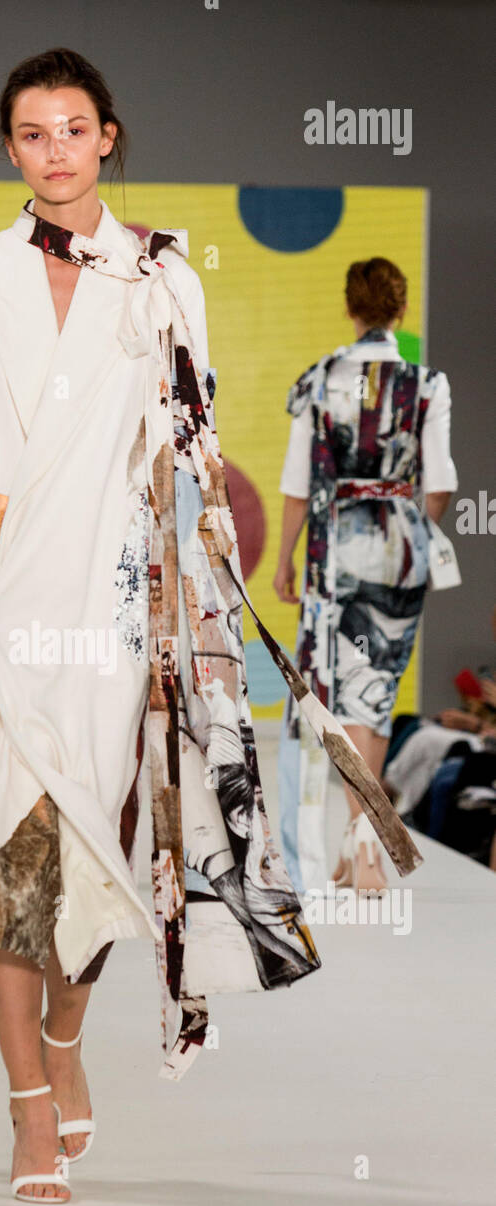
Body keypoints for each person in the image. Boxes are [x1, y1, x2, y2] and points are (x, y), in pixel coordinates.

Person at [0, 50, 418, 1205]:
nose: (55, 147)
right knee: (2, 852)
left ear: (108, 138)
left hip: (106, 612)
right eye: (32, 131)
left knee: (95, 848)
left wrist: (189, 611)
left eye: (74, 127)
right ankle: (26, 1104)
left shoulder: (160, 280)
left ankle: (66, 1032)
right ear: (10, 148)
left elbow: (184, 455)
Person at [273, 258, 458, 894]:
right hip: (399, 554)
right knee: (374, 698)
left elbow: (298, 485)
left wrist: (284, 557)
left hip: (334, 555)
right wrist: (409, 524)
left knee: (341, 696)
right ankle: (365, 852)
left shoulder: (322, 379)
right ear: (401, 311)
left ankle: (363, 849)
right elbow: (442, 484)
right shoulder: (427, 384)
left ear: (351, 308)